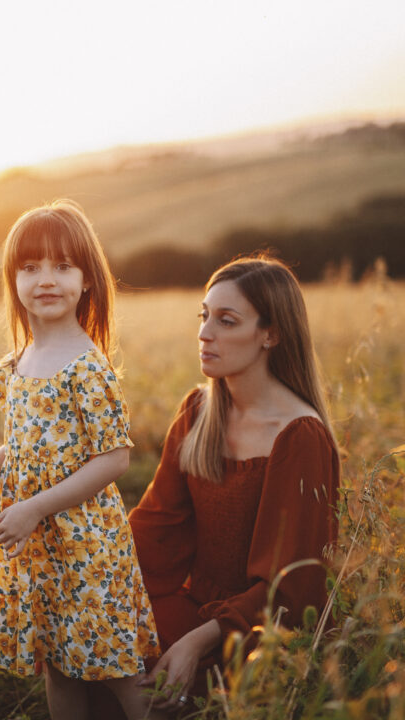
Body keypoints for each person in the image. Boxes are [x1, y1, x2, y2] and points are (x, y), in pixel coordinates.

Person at [95, 255, 340, 715]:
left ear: (272, 334)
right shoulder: (198, 413)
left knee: (128, 678)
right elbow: (155, 529)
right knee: (84, 646)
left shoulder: (299, 437)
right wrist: (90, 578)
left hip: (260, 637)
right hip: (195, 611)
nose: (205, 333)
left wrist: (194, 643)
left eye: (227, 321)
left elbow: (292, 589)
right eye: (204, 316)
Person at [0, 199, 163, 720]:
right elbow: (29, 443)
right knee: (58, 661)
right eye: (30, 268)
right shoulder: (21, 360)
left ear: (88, 279)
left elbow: (114, 459)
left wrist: (34, 508)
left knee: (116, 667)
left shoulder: (87, 367)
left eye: (62, 266)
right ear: (13, 281)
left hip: (83, 540)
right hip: (38, 547)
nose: (45, 279)